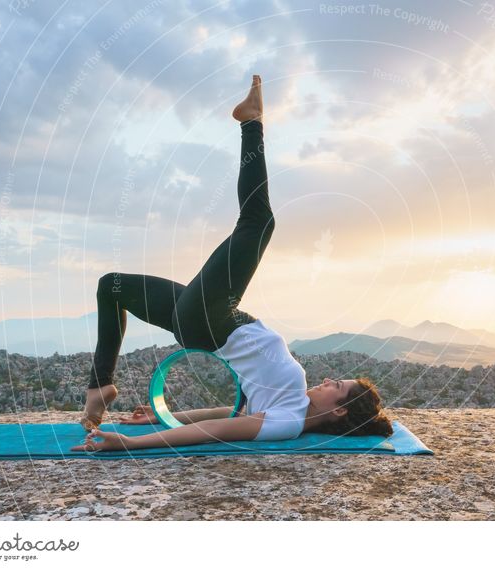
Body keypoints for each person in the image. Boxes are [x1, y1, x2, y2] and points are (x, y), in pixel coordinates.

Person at [72, 75, 392, 453]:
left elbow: (219, 432)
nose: (327, 380)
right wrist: (160, 415)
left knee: (258, 222)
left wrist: (130, 443)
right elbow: (232, 412)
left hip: (213, 320)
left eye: (336, 387)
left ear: (339, 412)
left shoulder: (287, 421)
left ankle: (251, 122)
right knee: (112, 286)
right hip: (203, 319)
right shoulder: (288, 406)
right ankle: (100, 386)